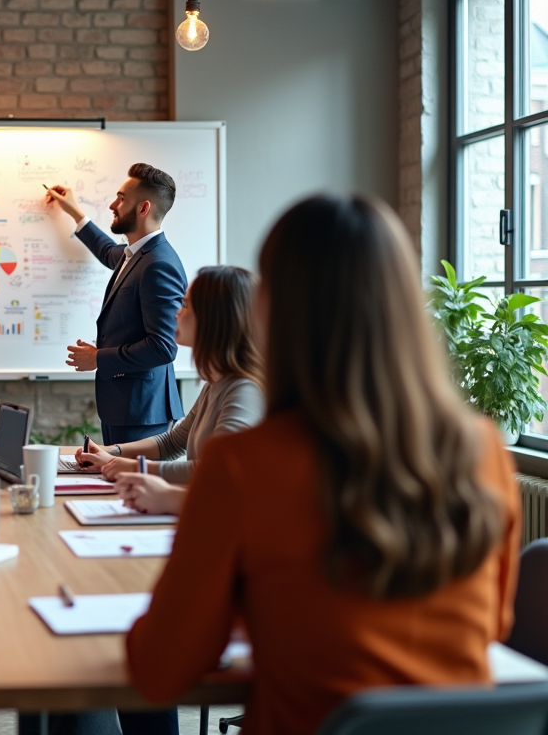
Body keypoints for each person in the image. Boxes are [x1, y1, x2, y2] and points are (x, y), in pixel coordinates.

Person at [126, 195, 520, 735]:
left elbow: (159, 670)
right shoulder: (484, 452)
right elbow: (491, 625)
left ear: (271, 310)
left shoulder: (242, 466)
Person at [71, 266, 264, 515]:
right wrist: (111, 453)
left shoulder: (244, 391)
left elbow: (215, 471)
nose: (175, 314)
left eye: (185, 306)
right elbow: (172, 442)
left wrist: (133, 468)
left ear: (214, 319)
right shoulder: (216, 383)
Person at [45, 164, 187, 445]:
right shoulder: (134, 255)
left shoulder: (158, 265)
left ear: (143, 208)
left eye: (121, 198)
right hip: (127, 409)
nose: (113, 204)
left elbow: (163, 346)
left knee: (132, 487)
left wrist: (98, 358)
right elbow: (106, 250)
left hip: (142, 412)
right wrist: (75, 212)